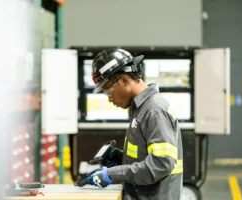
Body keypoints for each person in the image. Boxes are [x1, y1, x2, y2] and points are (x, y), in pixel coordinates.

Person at [77, 48, 183, 200]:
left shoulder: (154, 110)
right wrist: (121, 158)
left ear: (124, 80)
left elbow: (161, 164)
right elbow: (145, 159)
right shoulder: (141, 109)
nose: (109, 98)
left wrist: (112, 174)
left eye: (108, 91)